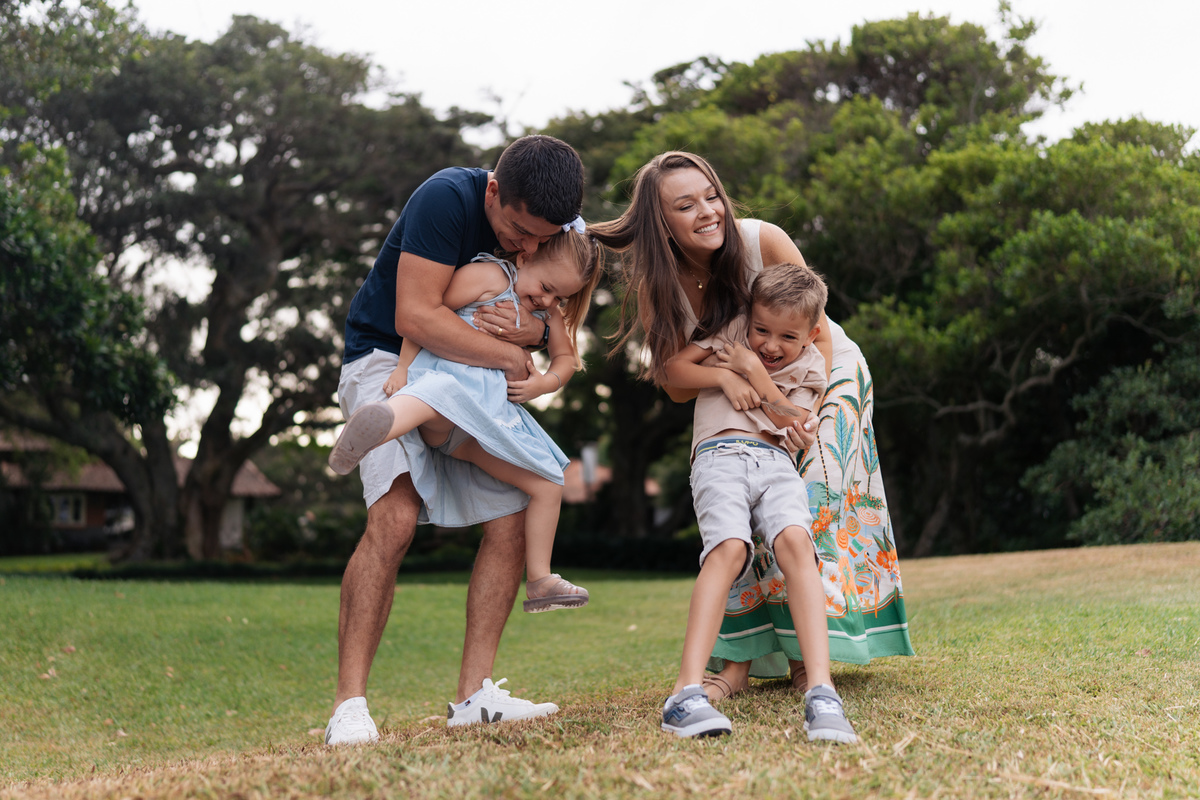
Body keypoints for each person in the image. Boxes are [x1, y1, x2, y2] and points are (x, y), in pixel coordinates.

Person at [591, 151, 914, 710]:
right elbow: (675, 384)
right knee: (737, 519)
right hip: (743, 396)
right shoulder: (659, 286)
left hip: (821, 374)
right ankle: (737, 664)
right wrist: (729, 375)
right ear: (660, 222)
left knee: (805, 503)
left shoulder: (763, 240)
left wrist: (805, 411)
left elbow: (817, 335)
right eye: (685, 206)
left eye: (711, 196)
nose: (707, 212)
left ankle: (804, 661)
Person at [325, 135, 584, 746]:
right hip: (389, 360)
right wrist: (513, 355)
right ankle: (349, 706)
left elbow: (554, 311)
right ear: (493, 192)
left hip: (472, 373)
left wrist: (535, 333)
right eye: (519, 232)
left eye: (541, 240)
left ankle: (474, 696)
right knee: (396, 514)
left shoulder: (548, 227)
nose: (527, 248)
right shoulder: (446, 197)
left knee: (515, 511)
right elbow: (415, 317)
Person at [328, 231, 603, 618]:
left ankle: (540, 578)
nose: (548, 301)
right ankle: (373, 431)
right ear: (525, 258)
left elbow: (567, 358)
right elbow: (425, 315)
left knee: (549, 482)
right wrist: (403, 368)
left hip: (485, 425)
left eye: (560, 297)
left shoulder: (546, 314)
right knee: (437, 392)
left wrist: (544, 383)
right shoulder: (489, 277)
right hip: (445, 401)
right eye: (546, 288)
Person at [658, 261, 856, 741]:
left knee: (796, 544)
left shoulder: (811, 365)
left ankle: (822, 692)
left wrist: (750, 371)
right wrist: (724, 377)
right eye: (762, 330)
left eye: (787, 337)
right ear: (750, 316)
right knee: (728, 549)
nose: (769, 345)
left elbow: (795, 423)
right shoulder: (732, 331)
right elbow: (673, 369)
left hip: (775, 462)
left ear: (810, 335)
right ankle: (684, 694)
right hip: (719, 455)